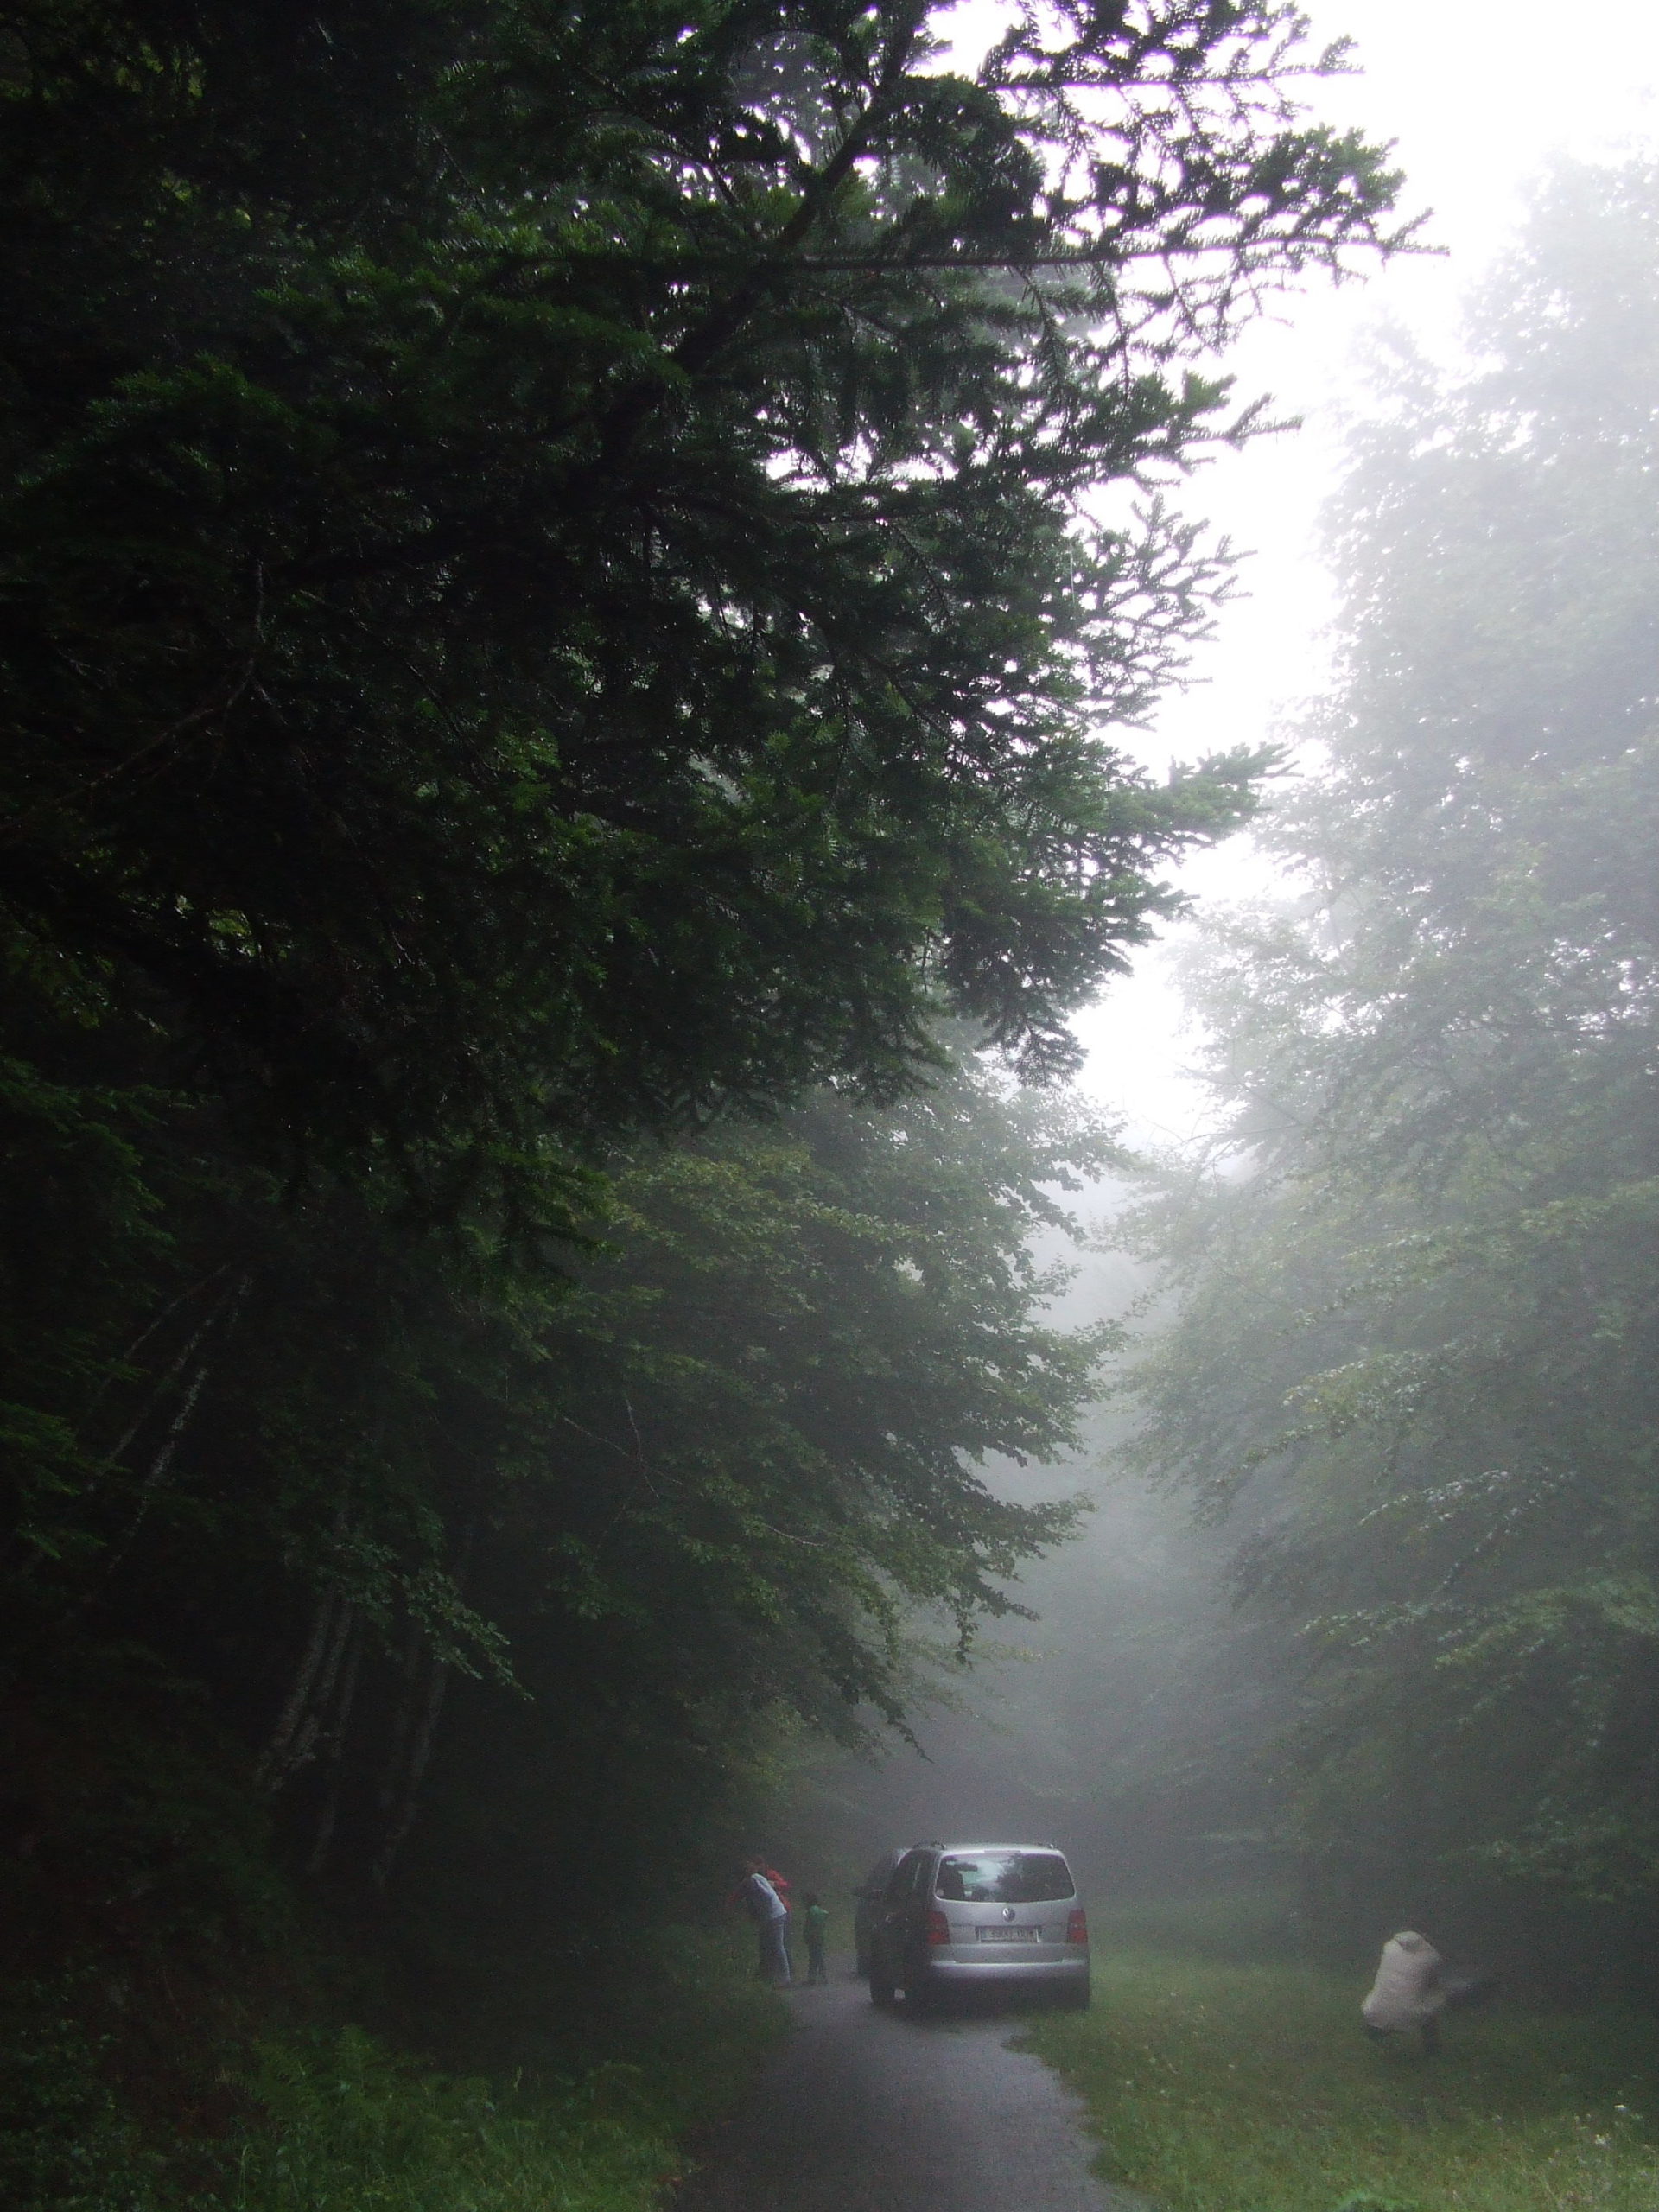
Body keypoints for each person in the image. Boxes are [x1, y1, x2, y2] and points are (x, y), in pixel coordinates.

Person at [1362, 1929, 1447, 2054]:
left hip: (1373, 2009)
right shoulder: (1432, 1955)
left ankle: (1375, 2031)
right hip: (1408, 2013)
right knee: (1434, 2001)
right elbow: (1432, 1985)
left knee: (1388, 1996)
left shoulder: (1389, 1946)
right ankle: (1432, 2048)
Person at [737, 1857, 791, 1986]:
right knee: (768, 1945)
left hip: (774, 1915)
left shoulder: (754, 1880)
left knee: (777, 1945)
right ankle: (768, 1974)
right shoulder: (755, 1878)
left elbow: (767, 1894)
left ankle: (785, 1978)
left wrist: (760, 1905)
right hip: (772, 1914)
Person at [801, 1891, 830, 1985]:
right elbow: (825, 1914)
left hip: (813, 1938)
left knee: (813, 1958)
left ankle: (812, 1978)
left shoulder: (811, 1911)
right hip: (820, 1937)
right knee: (818, 1957)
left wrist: (806, 1935)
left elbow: (809, 1926)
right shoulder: (819, 1910)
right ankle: (823, 1976)